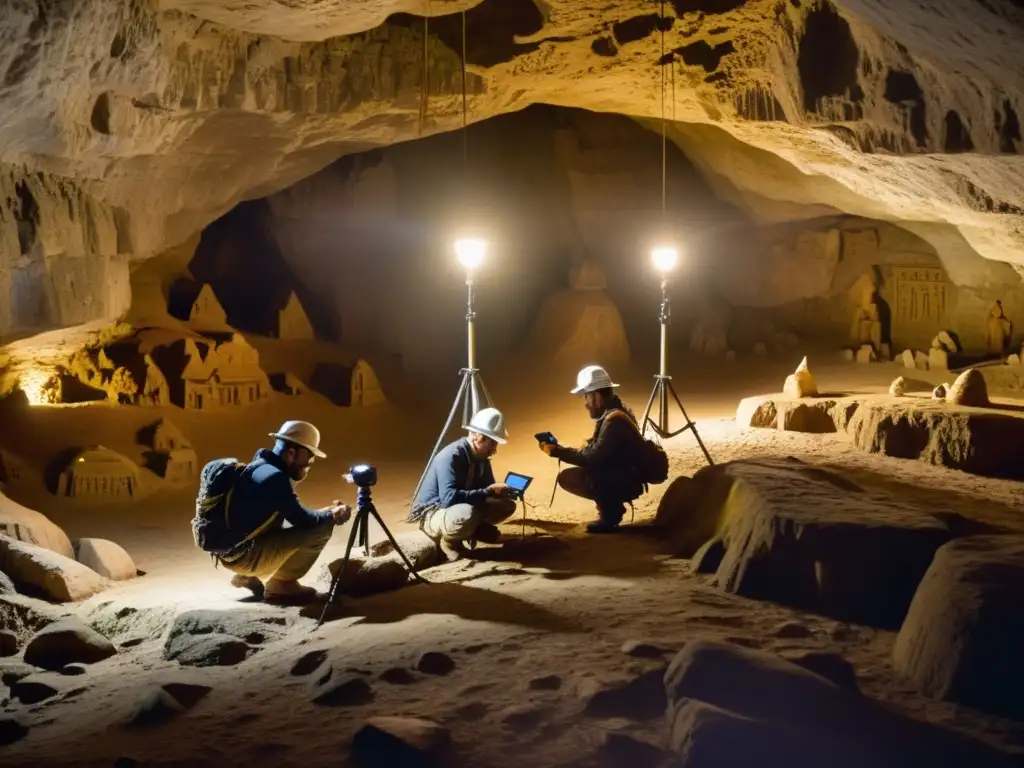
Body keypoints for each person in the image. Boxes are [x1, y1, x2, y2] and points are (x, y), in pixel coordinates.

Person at [214, 420, 352, 605]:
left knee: (319, 516)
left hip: (234, 551)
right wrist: (332, 515)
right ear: (292, 453)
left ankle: (248, 576)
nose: (310, 464)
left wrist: (327, 511)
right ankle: (282, 585)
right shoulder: (275, 478)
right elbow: (303, 520)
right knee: (322, 527)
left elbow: (281, 516)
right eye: (309, 457)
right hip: (244, 556)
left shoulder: (260, 465)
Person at [538, 365, 645, 533]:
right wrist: (563, 448)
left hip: (627, 479)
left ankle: (610, 516)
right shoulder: (614, 412)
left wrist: (558, 452)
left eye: (586, 397)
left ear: (596, 396)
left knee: (583, 474)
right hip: (626, 473)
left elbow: (593, 457)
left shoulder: (614, 420)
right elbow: (599, 449)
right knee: (591, 468)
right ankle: (612, 507)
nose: (586, 404)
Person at [409, 407, 517, 560]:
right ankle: (450, 542)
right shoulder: (451, 457)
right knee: (467, 514)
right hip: (434, 512)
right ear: (478, 437)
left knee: (506, 504)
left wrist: (499, 494)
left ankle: (472, 529)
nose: (494, 449)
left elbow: (486, 490)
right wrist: (488, 493)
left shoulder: (481, 459)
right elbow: (448, 499)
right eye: (492, 443)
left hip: (459, 507)